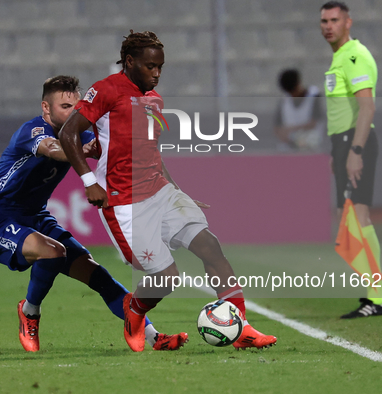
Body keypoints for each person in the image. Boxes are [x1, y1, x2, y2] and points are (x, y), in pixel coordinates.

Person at [59, 30, 277, 352]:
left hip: (160, 191)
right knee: (166, 277)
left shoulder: (154, 100)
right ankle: (135, 310)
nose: (157, 74)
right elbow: (67, 133)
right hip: (125, 202)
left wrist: (177, 190)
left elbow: (152, 152)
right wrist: (90, 182)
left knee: (210, 247)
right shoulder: (105, 90)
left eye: (161, 67)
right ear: (130, 62)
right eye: (150, 67)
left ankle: (241, 327)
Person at [0, 75, 186, 352]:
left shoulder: (81, 134)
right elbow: (53, 149)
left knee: (99, 276)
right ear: (46, 108)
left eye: (76, 106)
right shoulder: (33, 131)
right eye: (64, 106)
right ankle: (30, 311)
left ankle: (155, 337)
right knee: (53, 251)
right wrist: (80, 149)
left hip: (37, 217)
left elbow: (114, 152)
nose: (72, 112)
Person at [320, 1, 382, 318]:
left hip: (354, 142)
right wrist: (339, 152)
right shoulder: (339, 58)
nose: (328, 26)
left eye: (334, 20)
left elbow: (367, 108)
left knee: (357, 221)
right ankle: (375, 296)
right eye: (324, 21)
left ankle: (377, 298)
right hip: (343, 143)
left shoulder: (353, 55)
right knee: (348, 222)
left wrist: (355, 152)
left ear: (348, 22)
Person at [274, 68, 325, 152]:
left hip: (311, 145)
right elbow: (277, 127)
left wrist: (291, 129)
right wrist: (285, 136)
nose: (293, 95)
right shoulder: (284, 100)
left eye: (294, 91)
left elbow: (314, 123)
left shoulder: (314, 96)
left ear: (298, 84)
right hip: (289, 146)